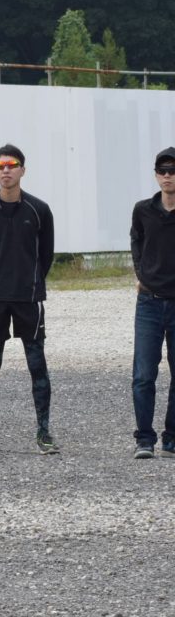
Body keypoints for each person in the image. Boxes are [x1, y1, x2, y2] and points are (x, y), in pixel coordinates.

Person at [0, 143, 57, 454]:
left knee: (37, 365)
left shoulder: (39, 210)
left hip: (28, 298)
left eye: (12, 165)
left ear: (22, 170)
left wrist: (31, 280)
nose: (6, 170)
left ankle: (43, 432)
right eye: (0, 166)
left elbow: (46, 254)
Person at [129, 146, 175, 458]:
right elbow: (136, 241)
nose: (167, 175)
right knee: (144, 374)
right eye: (162, 170)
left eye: (172, 170)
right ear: (156, 175)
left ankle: (171, 438)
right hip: (149, 302)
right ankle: (144, 439)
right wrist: (141, 273)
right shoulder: (143, 210)